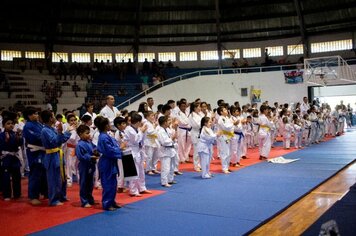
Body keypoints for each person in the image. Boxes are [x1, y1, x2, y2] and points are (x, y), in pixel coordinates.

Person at [40, 110, 73, 206]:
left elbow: (61, 140)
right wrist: (60, 132)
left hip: (58, 154)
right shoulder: (45, 130)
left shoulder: (52, 129)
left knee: (62, 177)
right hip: (51, 155)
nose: (55, 118)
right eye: (53, 116)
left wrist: (67, 132)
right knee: (54, 178)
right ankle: (54, 199)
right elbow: (55, 142)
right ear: (50, 118)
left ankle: (62, 196)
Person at [95, 116, 122, 211]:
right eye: (108, 124)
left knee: (113, 183)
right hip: (106, 161)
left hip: (111, 161)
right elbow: (109, 150)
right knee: (107, 183)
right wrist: (120, 150)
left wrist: (119, 148)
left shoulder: (107, 135)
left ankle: (112, 201)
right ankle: (106, 203)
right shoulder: (103, 137)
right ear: (106, 126)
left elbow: (114, 146)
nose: (110, 125)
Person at [22, 107, 48, 205]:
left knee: (44, 173)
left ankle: (45, 192)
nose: (36, 115)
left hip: (42, 150)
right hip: (34, 151)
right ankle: (33, 196)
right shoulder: (28, 126)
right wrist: (46, 137)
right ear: (29, 116)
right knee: (35, 173)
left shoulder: (39, 124)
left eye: (37, 113)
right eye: (34, 114)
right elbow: (35, 137)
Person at [124, 113, 151, 197]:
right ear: (138, 122)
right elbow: (136, 140)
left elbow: (142, 139)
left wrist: (143, 131)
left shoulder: (136, 129)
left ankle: (142, 188)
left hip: (138, 151)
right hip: (130, 152)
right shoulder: (129, 129)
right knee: (133, 172)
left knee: (141, 171)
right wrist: (142, 131)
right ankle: (133, 191)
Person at [0, 111, 23, 201]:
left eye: (12, 124)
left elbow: (20, 144)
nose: (11, 125)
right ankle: (7, 194)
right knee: (5, 177)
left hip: (15, 157)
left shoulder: (15, 134)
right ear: (3, 125)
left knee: (17, 176)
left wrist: (19, 138)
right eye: (8, 124)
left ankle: (17, 194)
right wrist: (6, 140)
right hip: (6, 157)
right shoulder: (1, 135)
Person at [75, 125, 99, 208]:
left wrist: (96, 151)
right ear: (80, 134)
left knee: (90, 183)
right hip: (84, 166)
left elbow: (94, 148)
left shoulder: (89, 142)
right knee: (84, 183)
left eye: (89, 133)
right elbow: (80, 156)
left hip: (91, 164)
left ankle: (90, 199)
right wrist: (90, 157)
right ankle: (84, 201)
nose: (89, 135)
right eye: (87, 133)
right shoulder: (79, 145)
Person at [157, 116, 177, 187]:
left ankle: (170, 179)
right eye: (167, 121)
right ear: (164, 122)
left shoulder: (167, 129)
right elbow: (164, 142)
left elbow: (173, 137)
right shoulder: (160, 131)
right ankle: (164, 182)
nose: (169, 122)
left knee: (171, 166)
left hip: (170, 149)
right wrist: (172, 138)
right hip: (165, 151)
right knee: (166, 167)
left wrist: (173, 138)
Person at [114, 116, 129, 193]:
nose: (124, 125)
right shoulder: (118, 133)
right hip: (121, 153)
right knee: (121, 170)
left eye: (124, 123)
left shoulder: (123, 132)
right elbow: (118, 143)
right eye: (123, 123)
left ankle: (123, 185)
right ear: (118, 125)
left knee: (125, 170)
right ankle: (120, 187)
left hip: (125, 152)